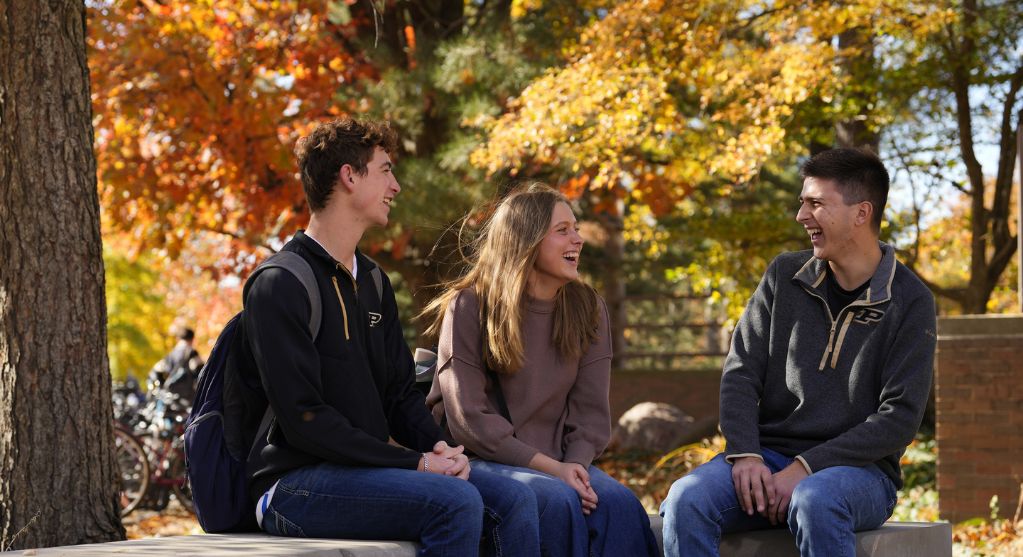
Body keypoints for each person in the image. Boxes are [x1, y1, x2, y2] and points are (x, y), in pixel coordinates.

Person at [241, 117, 540, 556]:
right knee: (454, 503)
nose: (395, 186)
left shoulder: (374, 283)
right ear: (348, 176)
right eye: (385, 170)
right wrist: (416, 463)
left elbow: (400, 395)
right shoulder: (279, 283)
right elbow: (305, 421)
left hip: (362, 472)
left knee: (515, 499)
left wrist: (440, 448)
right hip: (293, 483)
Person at [660, 148, 937, 557]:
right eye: (802, 203)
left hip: (859, 473)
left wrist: (805, 468)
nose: (801, 216)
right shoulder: (783, 276)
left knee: (815, 500)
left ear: (861, 213)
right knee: (687, 499)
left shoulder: (910, 301)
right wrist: (746, 454)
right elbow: (740, 372)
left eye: (816, 204)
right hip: (766, 457)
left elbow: (899, 418)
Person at [423, 183, 659, 557]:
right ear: (526, 239)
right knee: (556, 501)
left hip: (563, 463)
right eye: (562, 230)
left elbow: (590, 414)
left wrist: (576, 468)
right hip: (482, 461)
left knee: (619, 506)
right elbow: (470, 420)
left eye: (576, 228)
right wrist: (555, 471)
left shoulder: (588, 307)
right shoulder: (470, 306)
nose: (578, 239)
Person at [148, 326, 203, 402]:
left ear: (178, 339)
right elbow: (201, 373)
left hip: (170, 399)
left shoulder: (170, 355)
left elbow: (156, 371)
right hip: (188, 399)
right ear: (192, 339)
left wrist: (162, 386)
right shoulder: (192, 353)